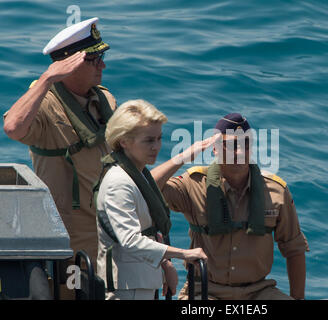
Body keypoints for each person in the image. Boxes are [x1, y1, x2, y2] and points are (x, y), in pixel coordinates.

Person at [3, 17, 116, 298]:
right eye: (94, 59)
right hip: (70, 236)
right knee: (73, 294)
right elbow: (13, 127)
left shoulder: (105, 100)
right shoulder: (45, 104)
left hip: (108, 229)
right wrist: (47, 78)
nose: (102, 65)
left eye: (102, 56)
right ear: (71, 63)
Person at [151, 113, 309, 300]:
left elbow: (294, 248)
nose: (240, 151)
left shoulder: (275, 190)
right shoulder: (194, 184)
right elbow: (145, 187)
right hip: (206, 290)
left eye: (246, 144)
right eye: (232, 145)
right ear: (215, 149)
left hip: (258, 292)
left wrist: (297, 299)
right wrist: (183, 157)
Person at [95, 99, 208, 300]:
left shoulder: (137, 175)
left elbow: (145, 231)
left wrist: (165, 265)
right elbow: (130, 240)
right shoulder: (119, 183)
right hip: (125, 288)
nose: (156, 146)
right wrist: (183, 254)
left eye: (159, 139)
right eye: (148, 140)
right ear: (124, 141)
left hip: (141, 281)